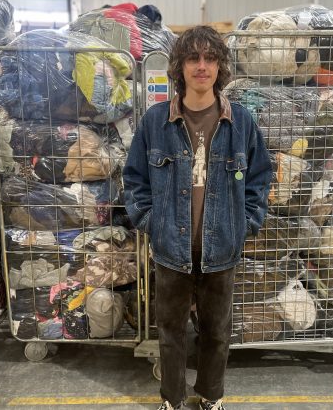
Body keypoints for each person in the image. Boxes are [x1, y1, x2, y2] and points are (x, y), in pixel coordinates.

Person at [123, 25, 272, 410]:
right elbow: (134, 179)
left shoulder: (241, 122)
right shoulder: (155, 121)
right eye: (194, 58)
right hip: (170, 248)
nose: (202, 66)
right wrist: (151, 223)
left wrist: (246, 224)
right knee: (170, 332)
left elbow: (259, 178)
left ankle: (211, 395)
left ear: (220, 66)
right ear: (180, 66)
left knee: (217, 333)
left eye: (210, 58)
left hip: (222, 246)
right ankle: (172, 399)